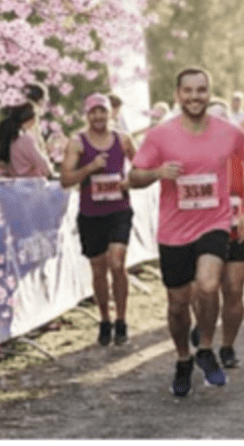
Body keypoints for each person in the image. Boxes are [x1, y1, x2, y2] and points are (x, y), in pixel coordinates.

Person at [129, 67, 244, 397]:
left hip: (213, 223)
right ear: (177, 95)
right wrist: (158, 172)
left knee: (209, 283)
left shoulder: (228, 131)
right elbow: (134, 177)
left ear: (208, 92)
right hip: (173, 230)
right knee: (176, 305)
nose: (194, 97)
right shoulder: (160, 135)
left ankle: (205, 348)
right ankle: (183, 359)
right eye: (187, 91)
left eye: (201, 90)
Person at [60, 93, 138, 346]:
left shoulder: (123, 139)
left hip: (119, 210)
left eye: (102, 111)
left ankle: (122, 320)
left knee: (117, 262)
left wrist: (130, 181)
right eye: (93, 112)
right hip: (91, 214)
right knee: (98, 269)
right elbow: (65, 180)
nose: (98, 116)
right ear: (87, 115)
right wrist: (89, 168)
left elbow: (142, 166)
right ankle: (105, 319)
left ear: (109, 113)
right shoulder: (77, 143)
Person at [0, 103, 54, 178]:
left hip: (12, 184)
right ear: (32, 120)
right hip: (29, 185)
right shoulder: (25, 138)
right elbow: (41, 163)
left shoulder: (9, 136)